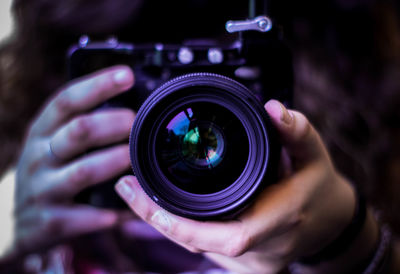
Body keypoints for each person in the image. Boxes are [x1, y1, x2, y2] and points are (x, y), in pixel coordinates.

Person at [0, 0, 399, 273]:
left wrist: (346, 241)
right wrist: (20, 241)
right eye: (147, 79)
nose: (193, 140)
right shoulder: (55, 45)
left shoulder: (356, 56)